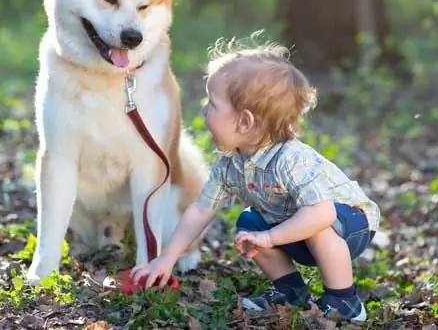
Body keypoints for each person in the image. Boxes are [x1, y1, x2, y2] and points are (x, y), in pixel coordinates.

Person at [130, 40, 380, 322]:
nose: (203, 111)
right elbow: (200, 210)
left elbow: (323, 212)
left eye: (211, 104)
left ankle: (343, 300)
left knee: (318, 225)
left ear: (244, 122)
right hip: (296, 225)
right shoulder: (230, 164)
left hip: (350, 223)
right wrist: (166, 259)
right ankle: (291, 293)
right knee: (250, 224)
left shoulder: (290, 160)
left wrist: (271, 237)